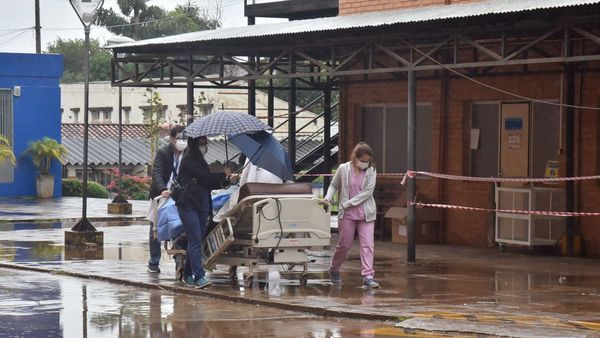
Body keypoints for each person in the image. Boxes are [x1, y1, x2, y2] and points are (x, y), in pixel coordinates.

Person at [174, 136, 232, 288]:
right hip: (188, 204)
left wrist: (226, 180)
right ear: (195, 143)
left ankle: (187, 274)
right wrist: (222, 174)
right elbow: (204, 176)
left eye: (206, 143)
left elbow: (206, 183)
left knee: (196, 239)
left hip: (202, 204)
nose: (205, 146)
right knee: (194, 239)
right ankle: (199, 276)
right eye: (202, 143)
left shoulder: (200, 159)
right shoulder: (189, 158)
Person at [324, 142, 380, 289]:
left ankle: (368, 276)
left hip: (366, 213)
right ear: (356, 158)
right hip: (347, 214)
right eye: (363, 161)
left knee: (368, 245)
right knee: (344, 244)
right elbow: (334, 185)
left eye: (368, 161)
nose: (365, 164)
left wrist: (348, 203)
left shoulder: (372, 170)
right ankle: (334, 269)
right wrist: (328, 198)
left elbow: (367, 192)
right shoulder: (343, 169)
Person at [147, 125, 187, 273]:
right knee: (155, 228)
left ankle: (179, 260)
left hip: (180, 195)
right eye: (179, 138)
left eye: (185, 138)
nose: (183, 141)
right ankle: (154, 260)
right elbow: (156, 173)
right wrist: (163, 189)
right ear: (171, 139)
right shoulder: (163, 153)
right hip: (162, 194)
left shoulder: (188, 154)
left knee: (179, 227)